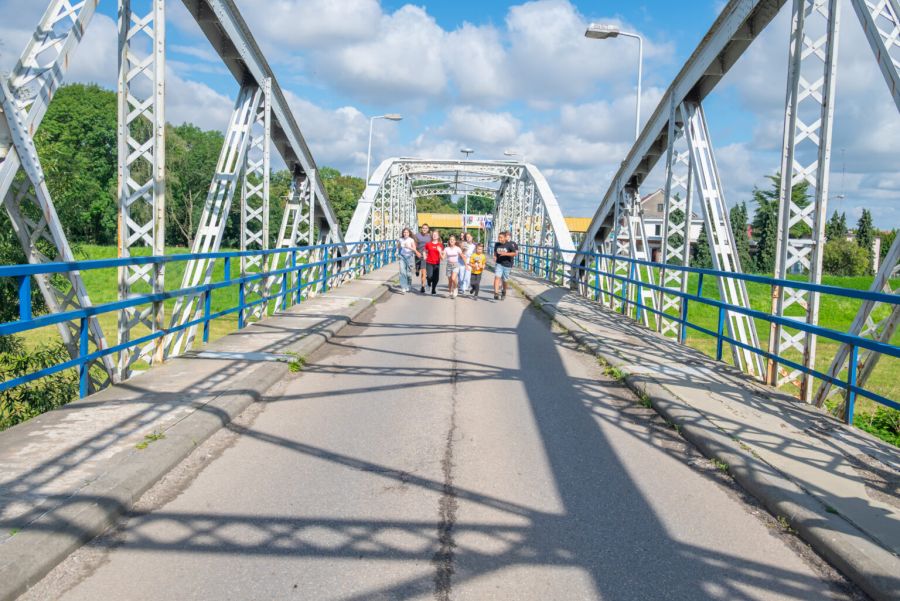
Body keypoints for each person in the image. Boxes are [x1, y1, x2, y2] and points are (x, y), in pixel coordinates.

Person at [493, 231, 518, 300]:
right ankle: (496, 293)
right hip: (499, 263)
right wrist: (495, 256)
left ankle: (504, 291)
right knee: (497, 277)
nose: (499, 239)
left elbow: (514, 253)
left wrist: (505, 254)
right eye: (499, 237)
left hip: (507, 265)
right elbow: (495, 252)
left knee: (504, 280)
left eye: (501, 237)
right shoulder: (497, 244)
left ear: (504, 238)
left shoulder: (509, 245)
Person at [397, 227, 420, 293]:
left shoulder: (411, 240)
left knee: (408, 274)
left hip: (409, 257)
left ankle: (408, 284)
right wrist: (397, 249)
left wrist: (408, 247)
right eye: (404, 232)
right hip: (402, 257)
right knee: (402, 272)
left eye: (407, 232)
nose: (405, 233)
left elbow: (414, 249)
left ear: (409, 233)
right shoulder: (401, 239)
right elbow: (398, 246)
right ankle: (403, 286)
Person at [424, 230, 444, 296]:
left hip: (436, 263)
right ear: (432, 236)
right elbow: (424, 251)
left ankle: (433, 289)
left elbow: (442, 256)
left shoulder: (440, 245)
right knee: (429, 276)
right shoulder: (428, 244)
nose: (434, 235)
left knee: (436, 278)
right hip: (429, 262)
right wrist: (424, 255)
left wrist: (440, 251)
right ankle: (429, 283)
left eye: (436, 234)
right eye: (433, 234)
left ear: (438, 236)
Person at [415, 224, 431, 293]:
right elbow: (414, 244)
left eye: (426, 228)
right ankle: (417, 270)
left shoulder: (430, 237)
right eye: (423, 228)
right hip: (418, 254)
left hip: (426, 255)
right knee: (417, 267)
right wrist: (416, 252)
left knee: (423, 272)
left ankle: (423, 286)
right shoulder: (417, 235)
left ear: (428, 229)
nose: (424, 229)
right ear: (421, 229)